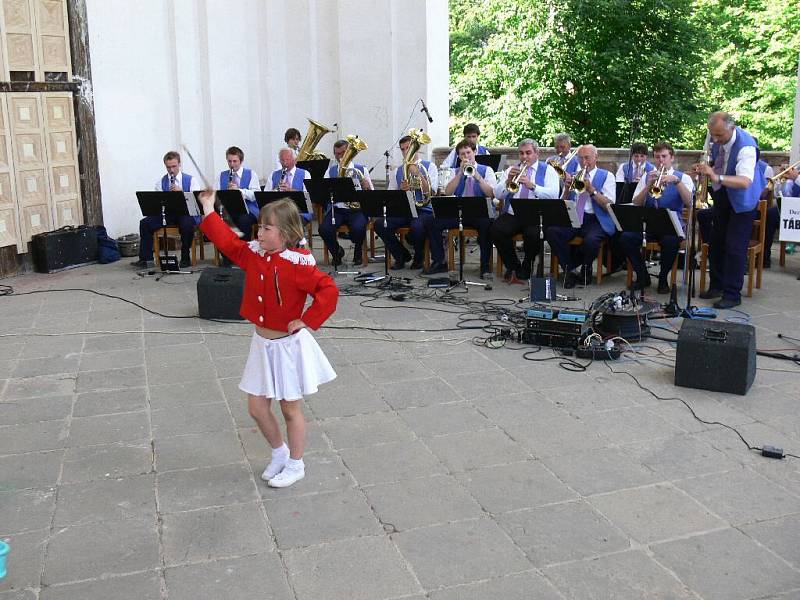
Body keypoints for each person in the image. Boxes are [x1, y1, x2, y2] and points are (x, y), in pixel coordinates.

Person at [197, 192, 338, 488]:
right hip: (261, 345)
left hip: (287, 347)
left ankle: (296, 464)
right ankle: (279, 452)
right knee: (257, 408)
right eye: (259, 227)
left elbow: (328, 290)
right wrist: (209, 208)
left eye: (266, 228)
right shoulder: (254, 254)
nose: (259, 233)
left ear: (285, 234)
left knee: (290, 409)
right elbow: (227, 242)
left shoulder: (298, 264)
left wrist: (308, 320)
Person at [693, 112, 764, 308]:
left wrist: (716, 177)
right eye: (712, 135)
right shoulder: (715, 135)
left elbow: (745, 181)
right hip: (723, 194)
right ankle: (717, 285)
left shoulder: (746, 147)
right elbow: (717, 161)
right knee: (716, 241)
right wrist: (706, 168)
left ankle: (733, 294)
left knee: (734, 246)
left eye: (719, 136)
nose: (715, 139)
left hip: (743, 200)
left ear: (732, 128)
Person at [617, 142, 695, 293]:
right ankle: (642, 275)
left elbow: (689, 202)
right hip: (648, 223)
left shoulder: (683, 177)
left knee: (671, 242)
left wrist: (677, 182)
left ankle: (663, 278)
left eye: (664, 156)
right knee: (626, 238)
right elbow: (636, 203)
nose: (661, 160)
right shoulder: (648, 176)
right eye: (657, 157)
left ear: (672, 158)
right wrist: (648, 185)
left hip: (672, 223)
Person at [545, 144, 616, 289]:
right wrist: (565, 189)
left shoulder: (607, 176)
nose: (584, 162)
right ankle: (569, 270)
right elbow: (561, 204)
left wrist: (592, 190)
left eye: (587, 158)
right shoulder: (573, 174)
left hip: (596, 218)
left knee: (591, 240)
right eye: (581, 158)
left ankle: (586, 267)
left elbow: (609, 205)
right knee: (552, 231)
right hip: (574, 215)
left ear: (596, 157)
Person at [490, 138, 559, 281]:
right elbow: (497, 194)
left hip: (536, 214)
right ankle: (514, 266)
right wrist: (508, 180)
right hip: (513, 213)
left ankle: (527, 264)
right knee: (496, 230)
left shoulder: (548, 170)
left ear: (537, 153)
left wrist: (532, 186)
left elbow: (553, 195)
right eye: (521, 153)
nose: (524, 157)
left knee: (533, 234)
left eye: (528, 153)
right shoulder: (511, 169)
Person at [429, 138, 496, 277]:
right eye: (462, 154)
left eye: (468, 153)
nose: (466, 157)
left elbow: (491, 193)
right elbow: (448, 192)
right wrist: (460, 173)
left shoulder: (486, 170)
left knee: (486, 225)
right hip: (459, 212)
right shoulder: (454, 171)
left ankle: (484, 266)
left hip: (480, 213)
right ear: (458, 156)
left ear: (475, 152)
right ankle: (439, 261)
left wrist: (478, 177)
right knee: (433, 222)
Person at [374, 134, 438, 270]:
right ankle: (401, 255)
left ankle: (419, 257)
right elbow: (391, 195)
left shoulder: (429, 166)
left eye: (408, 148)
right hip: (404, 210)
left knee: (417, 227)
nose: (405, 152)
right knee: (380, 224)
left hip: (423, 209)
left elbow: (432, 192)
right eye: (402, 149)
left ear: (416, 149)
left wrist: (418, 175)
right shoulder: (397, 170)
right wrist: (401, 191)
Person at [133, 151, 202, 269]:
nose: (171, 170)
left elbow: (196, 202)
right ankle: (146, 259)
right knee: (145, 223)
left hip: (186, 214)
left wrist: (182, 193)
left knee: (186, 225)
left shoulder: (191, 180)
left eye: (174, 166)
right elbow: (157, 204)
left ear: (179, 164)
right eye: (168, 167)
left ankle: (185, 257)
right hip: (169, 214)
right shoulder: (161, 182)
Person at [319, 139, 373, 266]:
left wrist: (366, 187)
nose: (341, 156)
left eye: (344, 152)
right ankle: (337, 252)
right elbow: (324, 191)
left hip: (357, 209)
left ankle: (358, 250)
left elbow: (371, 194)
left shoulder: (361, 169)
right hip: (338, 209)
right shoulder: (330, 171)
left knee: (358, 228)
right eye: (337, 154)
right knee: (324, 229)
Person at [219, 146, 261, 242]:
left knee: (243, 220)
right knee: (219, 222)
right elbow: (216, 194)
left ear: (241, 161)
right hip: (229, 210)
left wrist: (239, 191)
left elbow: (255, 195)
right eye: (229, 161)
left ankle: (243, 250)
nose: (232, 164)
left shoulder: (251, 174)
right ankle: (227, 254)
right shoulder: (221, 175)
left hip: (248, 210)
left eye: (235, 161)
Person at [270, 148, 312, 223]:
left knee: (288, 219)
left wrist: (290, 190)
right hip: (279, 209)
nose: (285, 163)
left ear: (295, 160)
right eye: (282, 160)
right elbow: (266, 195)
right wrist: (275, 192)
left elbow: (308, 196)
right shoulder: (273, 175)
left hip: (300, 210)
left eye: (287, 159)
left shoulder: (305, 174)